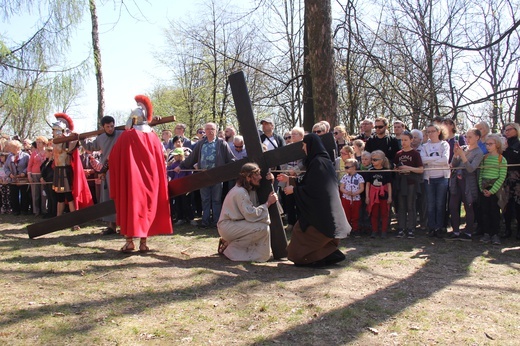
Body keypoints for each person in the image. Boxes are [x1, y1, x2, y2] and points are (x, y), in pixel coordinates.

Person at [110, 95, 173, 253]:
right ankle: (143, 243)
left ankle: (129, 241)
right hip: (151, 179)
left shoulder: (128, 135)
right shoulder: (153, 136)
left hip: (132, 180)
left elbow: (114, 156)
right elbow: (162, 156)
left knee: (131, 206)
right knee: (146, 207)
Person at [277, 133, 351, 267]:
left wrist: (294, 190)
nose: (303, 149)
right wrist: (290, 180)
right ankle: (327, 255)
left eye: (305, 145)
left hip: (320, 212)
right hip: (321, 208)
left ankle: (318, 256)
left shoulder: (319, 163)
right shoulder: (320, 161)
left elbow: (316, 188)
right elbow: (310, 181)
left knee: (301, 236)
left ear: (311, 146)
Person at [174, 122, 236, 228]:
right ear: (205, 131)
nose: (209, 131)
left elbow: (231, 159)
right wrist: (181, 166)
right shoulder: (201, 143)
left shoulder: (222, 143)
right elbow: (192, 157)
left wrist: (237, 168)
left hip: (217, 176)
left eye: (212, 129)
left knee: (216, 200)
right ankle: (205, 222)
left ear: (216, 130)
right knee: (205, 200)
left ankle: (216, 221)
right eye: (207, 129)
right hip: (203, 176)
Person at [217, 163, 278, 262]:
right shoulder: (240, 192)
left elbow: (256, 204)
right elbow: (251, 214)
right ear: (249, 177)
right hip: (228, 226)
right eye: (257, 175)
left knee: (261, 226)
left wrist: (270, 183)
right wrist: (268, 203)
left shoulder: (248, 189)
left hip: (236, 224)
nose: (260, 177)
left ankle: (229, 243)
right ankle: (231, 250)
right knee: (262, 228)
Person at [80, 115, 123, 235]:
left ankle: (124, 225)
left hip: (120, 170)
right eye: (107, 126)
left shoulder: (122, 134)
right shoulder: (100, 138)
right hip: (107, 170)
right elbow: (89, 147)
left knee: (121, 197)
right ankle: (111, 226)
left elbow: (135, 131)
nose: (110, 128)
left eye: (112, 126)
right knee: (108, 197)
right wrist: (81, 138)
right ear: (103, 127)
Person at [446, 128, 484, 241]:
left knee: (468, 206)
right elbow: (454, 164)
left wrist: (462, 156)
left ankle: (468, 232)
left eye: (470, 137)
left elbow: (471, 169)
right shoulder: (463, 148)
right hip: (456, 181)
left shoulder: (479, 152)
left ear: (477, 137)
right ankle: (456, 231)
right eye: (466, 136)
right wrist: (456, 155)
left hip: (468, 182)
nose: (467, 139)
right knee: (453, 206)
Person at [421, 124, 450, 238]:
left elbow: (445, 160)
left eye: (433, 131)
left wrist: (430, 160)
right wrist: (437, 159)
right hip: (429, 179)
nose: (431, 133)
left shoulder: (444, 144)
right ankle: (431, 227)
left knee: (440, 204)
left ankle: (439, 227)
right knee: (431, 204)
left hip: (442, 177)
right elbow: (423, 159)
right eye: (428, 132)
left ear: (438, 132)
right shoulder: (424, 146)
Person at [478, 133, 508, 245]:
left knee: (494, 212)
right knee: (484, 211)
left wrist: (492, 190)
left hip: (495, 189)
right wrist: (482, 187)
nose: (488, 146)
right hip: (484, 187)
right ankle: (486, 233)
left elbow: (502, 177)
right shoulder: (484, 158)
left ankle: (495, 234)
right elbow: (481, 174)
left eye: (491, 144)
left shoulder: (502, 159)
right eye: (487, 144)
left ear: (497, 145)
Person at [393, 131, 424, 239]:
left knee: (411, 206)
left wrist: (408, 168)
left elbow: (420, 169)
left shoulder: (415, 154)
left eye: (406, 140)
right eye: (402, 140)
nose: (403, 142)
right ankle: (401, 228)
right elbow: (395, 168)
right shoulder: (398, 154)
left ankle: (411, 228)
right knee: (401, 206)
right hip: (401, 183)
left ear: (411, 140)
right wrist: (398, 170)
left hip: (412, 182)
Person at [365, 150, 393, 238]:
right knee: (374, 214)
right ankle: (374, 230)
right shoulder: (370, 170)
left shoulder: (386, 171)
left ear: (381, 160)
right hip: (373, 195)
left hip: (383, 194)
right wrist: (367, 197)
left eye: (375, 160)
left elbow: (389, 184)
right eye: (372, 159)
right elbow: (368, 184)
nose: (372, 161)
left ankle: (384, 231)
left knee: (384, 213)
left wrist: (389, 197)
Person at [167, 148, 196, 226]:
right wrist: (169, 167)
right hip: (176, 187)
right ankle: (180, 218)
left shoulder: (185, 164)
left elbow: (189, 175)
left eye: (176, 156)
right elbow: (171, 174)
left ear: (180, 156)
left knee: (187, 203)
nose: (174, 157)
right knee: (178, 203)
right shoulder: (173, 164)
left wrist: (189, 185)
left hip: (184, 187)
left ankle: (190, 218)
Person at [502, 122, 520, 239]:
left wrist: (508, 149)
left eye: (509, 129)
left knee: (518, 204)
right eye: (505, 130)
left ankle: (518, 230)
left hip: (517, 178)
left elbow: (515, 157)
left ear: (516, 130)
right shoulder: (503, 143)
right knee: (506, 204)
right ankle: (507, 228)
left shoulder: (518, 144)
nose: (507, 132)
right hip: (505, 177)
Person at [339, 158, 365, 237]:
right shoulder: (344, 177)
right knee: (346, 214)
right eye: (345, 167)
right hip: (346, 199)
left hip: (356, 199)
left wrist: (355, 193)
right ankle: (347, 230)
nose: (345, 169)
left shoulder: (359, 177)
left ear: (354, 167)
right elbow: (341, 187)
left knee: (355, 215)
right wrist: (347, 192)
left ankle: (355, 229)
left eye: (347, 167)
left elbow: (361, 188)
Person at [4, 140, 30, 215]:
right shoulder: (9, 156)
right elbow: (6, 167)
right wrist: (9, 174)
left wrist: (24, 172)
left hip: (23, 179)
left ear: (16, 147)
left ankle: (24, 210)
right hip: (13, 179)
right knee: (14, 195)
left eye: (11, 147)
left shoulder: (25, 156)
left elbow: (29, 166)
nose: (9, 148)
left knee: (24, 194)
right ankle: (16, 210)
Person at [27, 136, 48, 216]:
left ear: (44, 143)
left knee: (44, 194)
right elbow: (29, 165)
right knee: (35, 194)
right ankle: (36, 211)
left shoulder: (47, 152)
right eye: (37, 142)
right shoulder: (34, 153)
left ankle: (44, 210)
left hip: (44, 175)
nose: (38, 144)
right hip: (34, 174)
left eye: (40, 142)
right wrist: (29, 175)